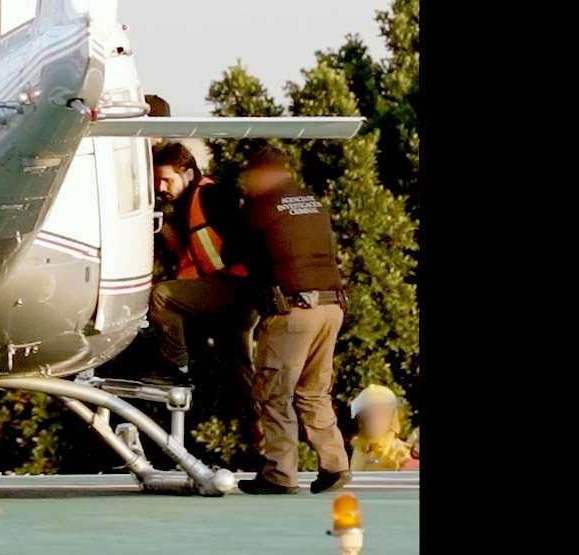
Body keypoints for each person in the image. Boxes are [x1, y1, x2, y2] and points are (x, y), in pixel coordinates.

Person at [236, 147, 351, 495]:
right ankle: (335, 464)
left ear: (263, 173)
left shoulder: (261, 207)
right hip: (331, 307)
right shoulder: (313, 203)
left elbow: (237, 253)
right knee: (314, 391)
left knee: (274, 392)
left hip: (293, 312)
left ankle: (279, 473)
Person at [147, 142, 251, 386]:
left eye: (167, 180)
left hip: (233, 287)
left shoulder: (212, 195)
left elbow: (246, 234)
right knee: (235, 368)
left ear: (188, 173)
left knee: (162, 296)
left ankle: (175, 370)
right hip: (226, 289)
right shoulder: (187, 204)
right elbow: (183, 250)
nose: (161, 188)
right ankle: (251, 408)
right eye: (157, 182)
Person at [348, 384, 419, 471]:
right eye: (367, 414)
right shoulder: (359, 448)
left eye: (380, 414)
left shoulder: (400, 454)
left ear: (392, 418)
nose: (373, 420)